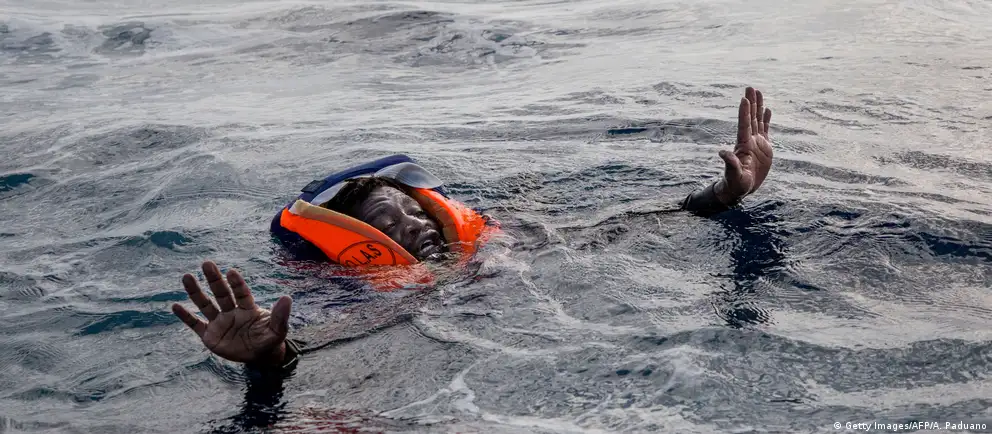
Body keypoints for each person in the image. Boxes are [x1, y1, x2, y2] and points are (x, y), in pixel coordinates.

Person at [170, 86, 774, 372]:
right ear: (362, 248)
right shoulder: (384, 303)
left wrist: (722, 195)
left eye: (414, 210)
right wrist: (270, 356)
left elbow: (621, 227)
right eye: (387, 223)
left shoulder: (505, 247)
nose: (413, 224)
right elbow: (325, 340)